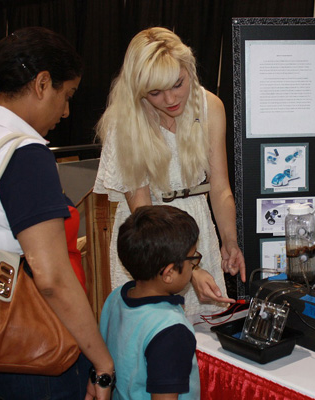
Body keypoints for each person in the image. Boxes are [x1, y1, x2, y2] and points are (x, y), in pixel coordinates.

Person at [0, 27, 114, 400]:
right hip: (30, 348)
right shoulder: (24, 152)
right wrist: (102, 362)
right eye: (66, 95)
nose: (66, 111)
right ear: (42, 83)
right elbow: (52, 278)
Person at [94, 27, 246, 316]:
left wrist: (230, 242)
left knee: (204, 331)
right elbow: (144, 212)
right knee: (153, 327)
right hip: (150, 239)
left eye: (178, 84)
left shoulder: (210, 107)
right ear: (139, 89)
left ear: (189, 69)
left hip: (196, 230)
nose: (170, 99)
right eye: (155, 92)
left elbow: (220, 188)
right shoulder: (124, 121)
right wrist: (189, 267)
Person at [100, 205, 201, 399]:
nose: (193, 266)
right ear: (169, 273)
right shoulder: (171, 331)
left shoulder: (116, 297)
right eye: (192, 260)